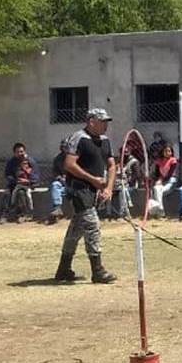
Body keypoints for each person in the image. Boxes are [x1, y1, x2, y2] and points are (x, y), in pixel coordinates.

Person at [54, 109, 118, 284]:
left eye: (106, 121)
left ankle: (63, 269)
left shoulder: (105, 141)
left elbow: (112, 165)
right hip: (78, 189)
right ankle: (97, 270)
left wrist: (109, 188)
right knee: (92, 225)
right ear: (91, 121)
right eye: (102, 121)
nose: (106, 125)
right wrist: (93, 180)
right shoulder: (79, 138)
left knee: (76, 229)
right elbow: (69, 164)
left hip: (94, 191)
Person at [150, 143, 179, 216]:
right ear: (162, 152)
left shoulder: (173, 160)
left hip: (171, 182)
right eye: (166, 151)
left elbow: (170, 174)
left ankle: (159, 211)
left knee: (159, 191)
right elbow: (157, 174)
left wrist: (161, 180)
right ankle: (161, 209)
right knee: (156, 189)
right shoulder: (158, 161)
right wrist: (157, 180)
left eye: (169, 151)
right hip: (161, 182)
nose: (168, 153)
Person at [46, 149, 67, 225]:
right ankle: (57, 209)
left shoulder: (76, 157)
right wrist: (61, 178)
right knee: (55, 185)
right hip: (62, 183)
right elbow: (55, 173)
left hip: (75, 183)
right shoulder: (58, 159)